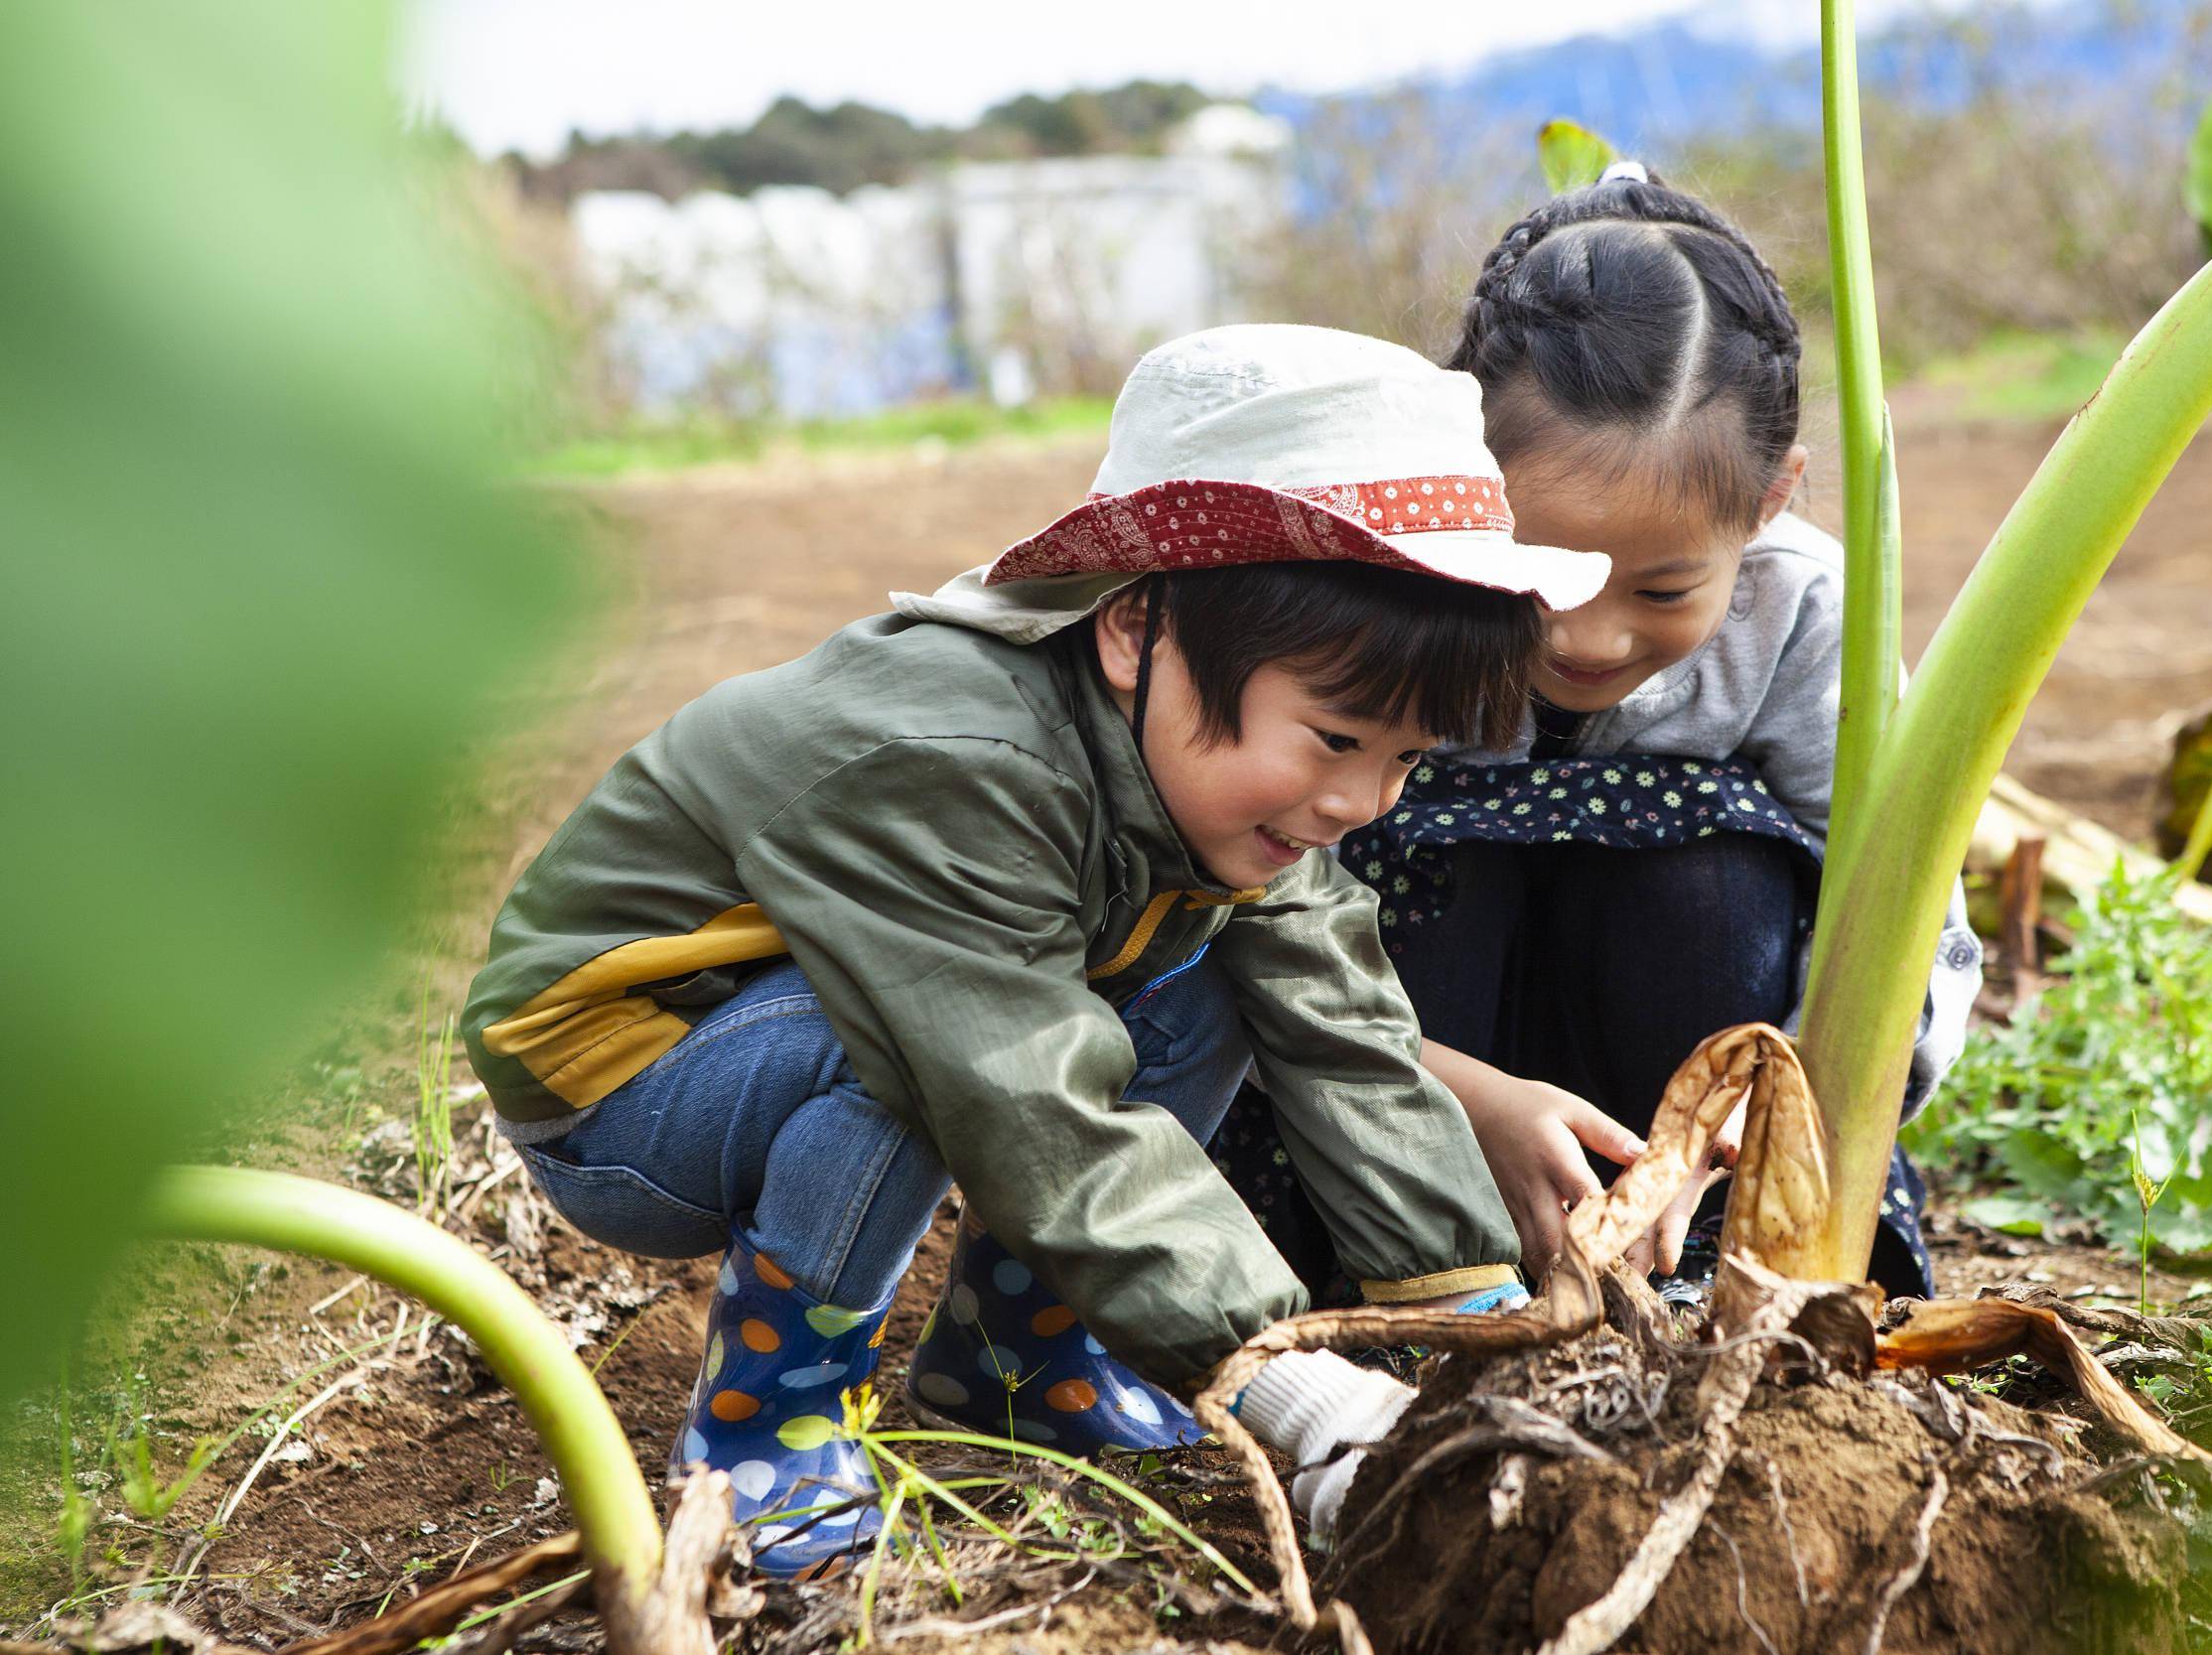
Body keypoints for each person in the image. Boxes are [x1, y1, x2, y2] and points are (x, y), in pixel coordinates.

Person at [460, 325, 1608, 1575]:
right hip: (621, 1072)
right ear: (1133, 632)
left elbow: (1345, 1028)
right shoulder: (954, 762)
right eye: (1334, 737)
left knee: (1214, 977)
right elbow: (1019, 1090)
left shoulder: (1207, 785)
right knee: (920, 1052)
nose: (1361, 800)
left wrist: (1476, 1315)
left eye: (1405, 759)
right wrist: (1301, 1394)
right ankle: (766, 1433)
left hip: (796, 1018)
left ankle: (1019, 1370)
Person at [1212, 164, 1980, 1309]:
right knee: (1386, 843)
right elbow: (1233, 895)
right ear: (1460, 473)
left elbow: (1906, 929)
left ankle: (1691, 1269)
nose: (1586, 636)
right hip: (1386, 1075)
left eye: (1663, 590)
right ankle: (1420, 1260)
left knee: (1719, 862)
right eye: (1541, 574)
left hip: (1682, 1127)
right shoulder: (1384, 590)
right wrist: (1460, 1092)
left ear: (1771, 500)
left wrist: (1733, 1122)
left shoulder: (1808, 616)